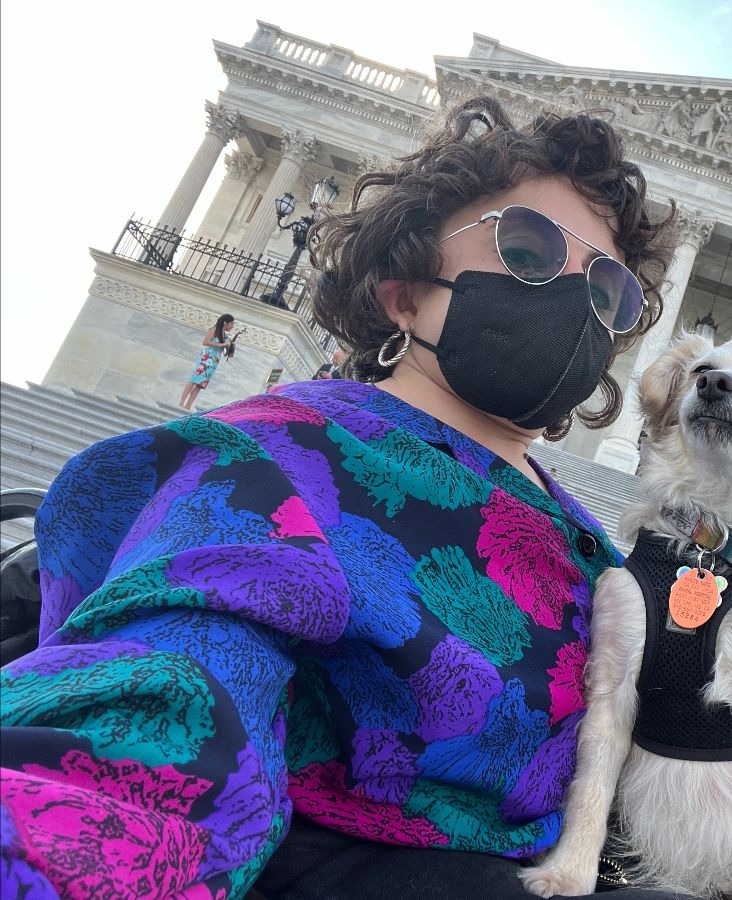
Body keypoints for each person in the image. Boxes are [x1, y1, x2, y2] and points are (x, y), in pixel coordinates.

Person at [0, 96, 690, 900]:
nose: (577, 303)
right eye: (528, 249)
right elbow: (148, 734)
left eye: (608, 293)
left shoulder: (588, 540)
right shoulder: (278, 460)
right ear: (403, 293)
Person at [179, 313, 237, 410]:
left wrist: (230, 346)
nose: (232, 326)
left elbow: (226, 350)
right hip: (207, 357)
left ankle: (188, 405)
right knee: (194, 379)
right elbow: (205, 342)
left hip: (214, 361)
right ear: (225, 323)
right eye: (231, 324)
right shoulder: (214, 330)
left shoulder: (225, 336)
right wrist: (221, 345)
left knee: (201, 383)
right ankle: (181, 402)